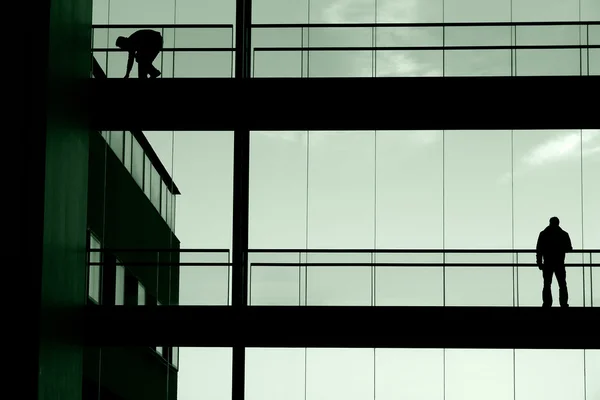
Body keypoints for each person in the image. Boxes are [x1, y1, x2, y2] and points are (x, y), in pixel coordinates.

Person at [536, 217, 572, 307]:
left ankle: (547, 303)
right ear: (558, 223)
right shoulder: (563, 234)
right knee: (562, 284)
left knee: (547, 284)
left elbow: (539, 249)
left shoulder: (544, 234)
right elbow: (569, 248)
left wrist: (539, 262)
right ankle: (563, 303)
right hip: (559, 263)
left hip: (547, 263)